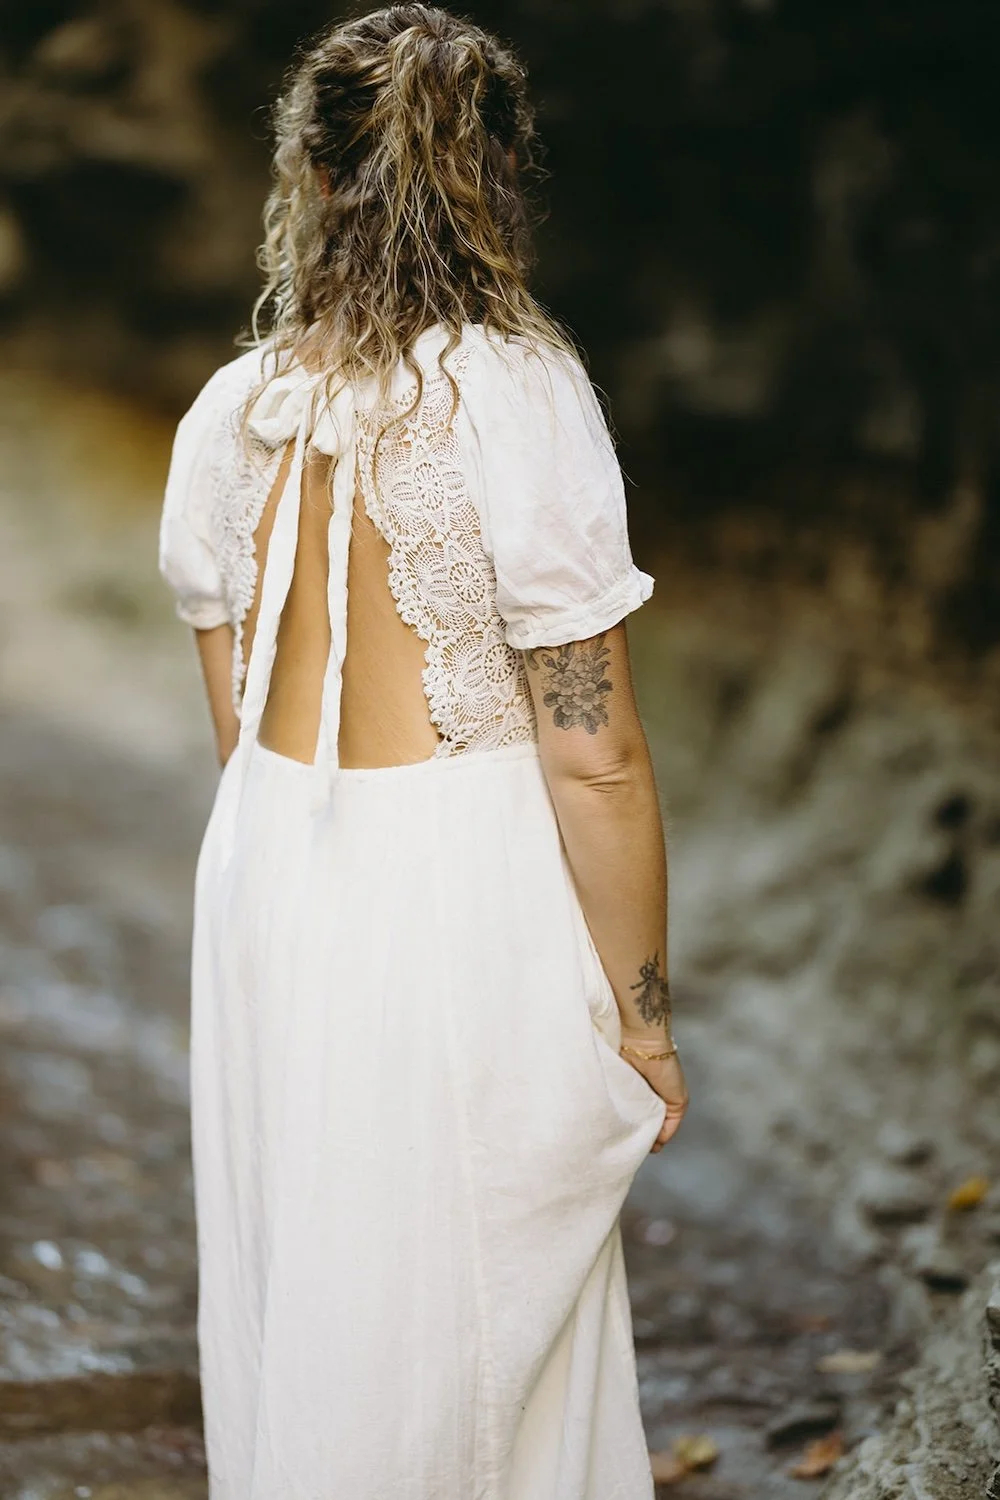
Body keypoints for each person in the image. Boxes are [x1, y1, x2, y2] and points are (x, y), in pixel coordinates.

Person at [158, 6, 688, 1497]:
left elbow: (238, 724)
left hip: (271, 878)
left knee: (313, 1265)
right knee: (469, 1307)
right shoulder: (515, 396)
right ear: (496, 184)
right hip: (455, 886)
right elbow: (595, 757)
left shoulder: (231, 414)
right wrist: (646, 1023)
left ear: (314, 176)